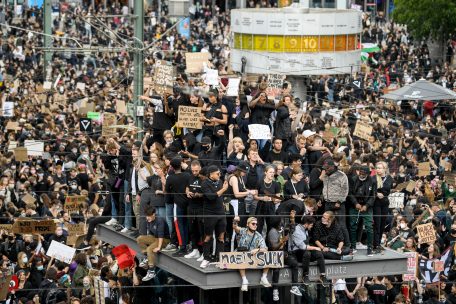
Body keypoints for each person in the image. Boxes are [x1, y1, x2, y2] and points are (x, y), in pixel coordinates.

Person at [200, 165, 229, 268]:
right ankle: (206, 258)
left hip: (221, 213)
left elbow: (221, 197)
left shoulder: (220, 182)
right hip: (210, 213)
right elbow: (211, 197)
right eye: (217, 173)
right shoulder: (204, 184)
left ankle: (219, 258)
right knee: (208, 237)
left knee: (221, 237)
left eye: (220, 173)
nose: (219, 175)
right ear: (211, 174)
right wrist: (224, 189)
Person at [287, 215, 329, 288]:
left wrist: (317, 249)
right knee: (308, 253)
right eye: (311, 225)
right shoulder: (297, 230)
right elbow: (303, 246)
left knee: (319, 254)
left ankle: (323, 275)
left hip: (305, 252)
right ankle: (305, 275)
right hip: (296, 253)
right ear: (306, 224)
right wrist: (316, 248)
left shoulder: (305, 229)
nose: (312, 227)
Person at [232, 216, 271, 291]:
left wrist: (257, 249)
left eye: (256, 224)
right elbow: (235, 227)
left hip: (253, 257)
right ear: (247, 224)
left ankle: (264, 277)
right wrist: (235, 220)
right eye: (253, 224)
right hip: (242, 256)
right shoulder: (243, 231)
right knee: (241, 255)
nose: (255, 225)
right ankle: (244, 280)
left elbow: (265, 249)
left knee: (268, 254)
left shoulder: (258, 235)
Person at [348, 166, 376, 256]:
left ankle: (370, 248)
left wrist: (367, 205)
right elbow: (350, 193)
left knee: (369, 227)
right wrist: (355, 203)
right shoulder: (353, 179)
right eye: (360, 173)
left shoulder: (372, 181)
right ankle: (352, 246)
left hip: (367, 206)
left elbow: (373, 196)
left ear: (368, 174)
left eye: (364, 174)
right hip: (354, 205)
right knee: (353, 226)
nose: (361, 175)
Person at [137, 207, 170, 281]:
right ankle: (147, 257)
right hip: (155, 238)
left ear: (154, 214)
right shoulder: (149, 220)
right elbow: (151, 233)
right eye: (146, 216)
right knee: (140, 239)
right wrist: (147, 240)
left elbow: (161, 235)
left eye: (149, 216)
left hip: (164, 240)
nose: (147, 217)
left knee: (150, 249)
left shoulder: (160, 220)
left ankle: (151, 271)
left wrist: (158, 247)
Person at [254, 165, 282, 235]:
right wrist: (262, 198)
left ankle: (269, 243)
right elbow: (255, 196)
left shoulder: (276, 184)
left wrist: (272, 199)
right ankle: (258, 243)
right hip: (261, 205)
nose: (272, 174)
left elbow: (279, 198)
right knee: (259, 226)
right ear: (265, 172)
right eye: (270, 172)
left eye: (273, 172)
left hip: (271, 206)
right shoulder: (259, 182)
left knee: (270, 226)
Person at [373, 162, 394, 254]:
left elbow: (388, 189)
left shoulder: (389, 178)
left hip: (385, 203)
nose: (378, 170)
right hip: (376, 203)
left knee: (382, 223)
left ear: (385, 169)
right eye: (377, 168)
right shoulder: (373, 178)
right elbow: (371, 189)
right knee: (377, 223)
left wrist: (383, 194)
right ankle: (375, 244)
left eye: (380, 168)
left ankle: (379, 243)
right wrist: (377, 193)